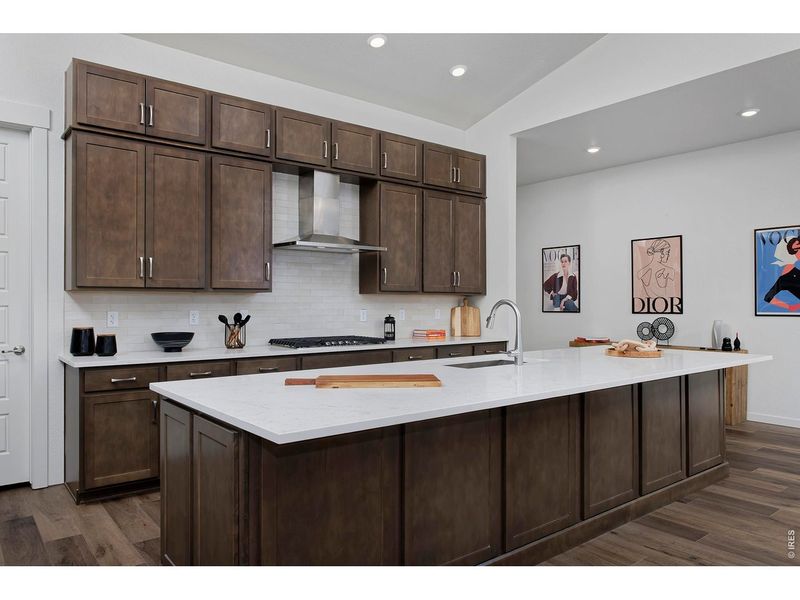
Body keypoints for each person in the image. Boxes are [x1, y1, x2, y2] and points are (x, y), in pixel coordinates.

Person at [764, 237, 800, 311]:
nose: (798, 252)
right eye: (795, 250)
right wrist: (791, 307)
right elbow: (768, 297)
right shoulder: (787, 274)